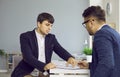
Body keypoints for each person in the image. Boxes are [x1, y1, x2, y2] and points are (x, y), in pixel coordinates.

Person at [11, 12, 77, 77]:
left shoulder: (51, 37)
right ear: (39, 24)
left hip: (45, 72)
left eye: (51, 26)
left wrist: (69, 58)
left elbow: (60, 50)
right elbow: (27, 57)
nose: (50, 28)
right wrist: (44, 66)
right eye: (47, 25)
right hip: (26, 71)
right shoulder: (25, 36)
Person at [78, 6, 120, 77]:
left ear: (91, 22)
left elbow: (106, 64)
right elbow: (112, 60)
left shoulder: (101, 34)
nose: (86, 27)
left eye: (85, 23)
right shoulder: (112, 32)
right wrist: (90, 65)